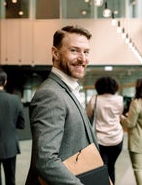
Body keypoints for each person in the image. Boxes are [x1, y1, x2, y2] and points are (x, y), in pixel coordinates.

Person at [25, 25, 98, 185]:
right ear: (55, 53)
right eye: (74, 50)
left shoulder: (69, 90)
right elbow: (45, 160)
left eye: (86, 52)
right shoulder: (50, 94)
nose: (83, 58)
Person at [86, 76, 124, 184]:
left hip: (100, 140)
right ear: (114, 86)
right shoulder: (119, 99)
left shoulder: (95, 99)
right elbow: (119, 116)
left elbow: (88, 116)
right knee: (111, 166)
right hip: (117, 139)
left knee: (102, 168)